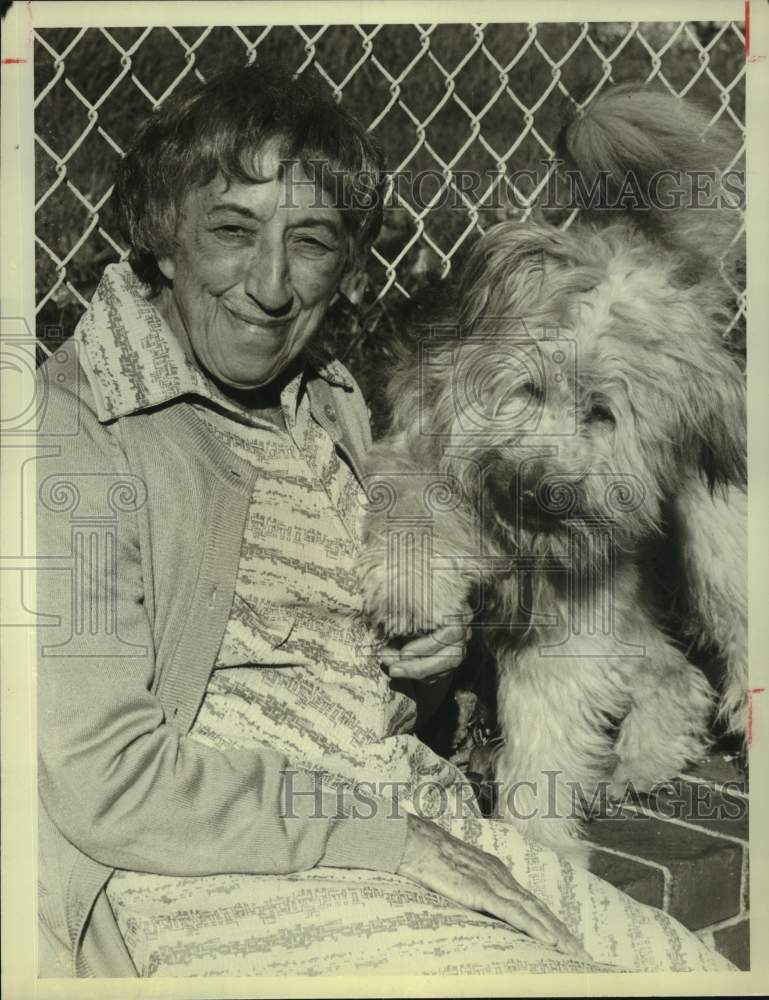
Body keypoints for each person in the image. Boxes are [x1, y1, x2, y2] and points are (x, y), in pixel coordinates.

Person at [36, 63, 733, 979]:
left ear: (349, 264)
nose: (272, 284)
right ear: (163, 239)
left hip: (416, 823)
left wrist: (434, 669)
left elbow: (363, 693)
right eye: (233, 231)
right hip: (235, 872)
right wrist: (385, 836)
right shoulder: (76, 440)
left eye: (313, 239)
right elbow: (102, 777)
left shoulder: (326, 403)